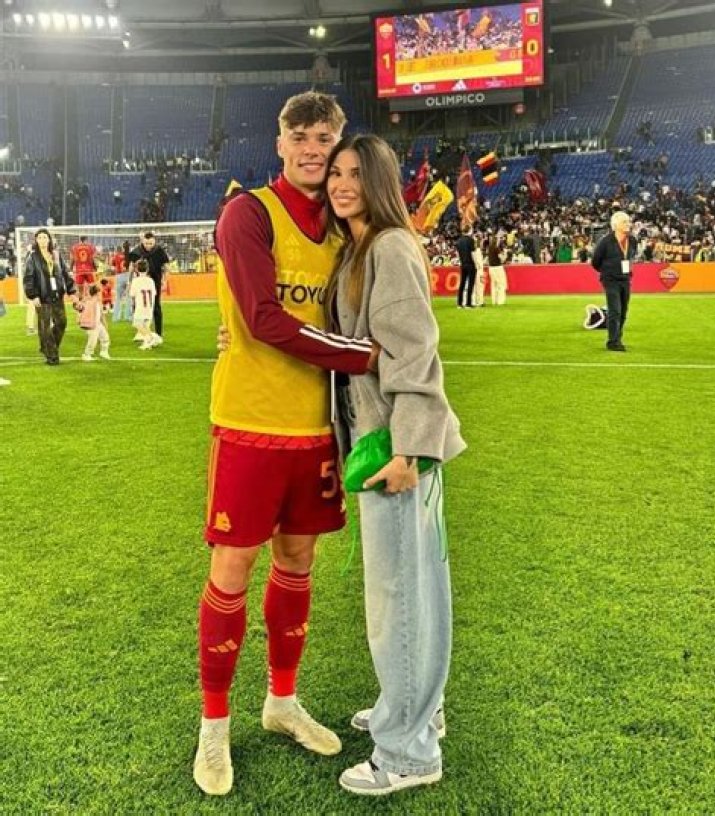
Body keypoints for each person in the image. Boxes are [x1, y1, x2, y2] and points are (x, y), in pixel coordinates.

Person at [195, 91, 376, 797]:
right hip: (249, 424)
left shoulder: (341, 228)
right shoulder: (248, 214)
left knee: (297, 562)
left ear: (337, 146)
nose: (311, 149)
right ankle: (214, 727)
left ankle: (281, 701)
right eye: (299, 136)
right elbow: (263, 320)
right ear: (280, 143)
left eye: (324, 138)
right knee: (232, 570)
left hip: (314, 429)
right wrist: (362, 355)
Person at [324, 134, 466, 796]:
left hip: (398, 451)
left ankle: (407, 752)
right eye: (336, 172)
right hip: (390, 445)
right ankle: (416, 709)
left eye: (356, 173)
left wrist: (408, 450)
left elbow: (414, 355)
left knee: (399, 597)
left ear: (379, 181)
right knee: (416, 590)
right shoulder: (361, 248)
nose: (341, 183)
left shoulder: (387, 247)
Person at [23, 228, 78, 365]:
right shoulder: (32, 257)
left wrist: (72, 291)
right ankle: (52, 356)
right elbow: (28, 278)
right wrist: (33, 295)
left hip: (57, 295)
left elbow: (66, 273)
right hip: (42, 297)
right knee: (45, 327)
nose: (42, 240)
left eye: (44, 237)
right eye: (39, 237)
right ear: (36, 240)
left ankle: (46, 347)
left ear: (49, 239)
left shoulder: (56, 255)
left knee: (62, 323)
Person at [591, 210, 637, 351]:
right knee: (615, 310)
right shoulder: (605, 241)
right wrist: (607, 271)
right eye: (624, 222)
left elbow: (631, 257)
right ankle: (612, 342)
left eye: (628, 221)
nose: (628, 224)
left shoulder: (632, 241)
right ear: (615, 225)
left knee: (623, 311)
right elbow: (595, 261)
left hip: (625, 279)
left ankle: (618, 338)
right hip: (610, 280)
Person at [127, 231, 170, 340]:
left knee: (156, 306)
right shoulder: (136, 252)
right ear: (142, 241)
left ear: (154, 241)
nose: (148, 246)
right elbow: (131, 267)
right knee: (137, 306)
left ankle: (159, 333)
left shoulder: (159, 251)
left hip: (155, 281)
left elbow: (166, 267)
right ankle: (140, 332)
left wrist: (165, 281)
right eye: (146, 243)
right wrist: (129, 280)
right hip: (139, 282)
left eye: (151, 243)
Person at [129, 260, 160, 350]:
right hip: (150, 306)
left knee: (136, 324)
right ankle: (148, 341)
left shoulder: (136, 281)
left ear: (137, 269)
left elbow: (132, 294)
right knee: (146, 325)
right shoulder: (150, 280)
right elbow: (154, 293)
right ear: (147, 269)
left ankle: (151, 338)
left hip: (140, 306)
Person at [79, 284, 111, 362]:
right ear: (96, 293)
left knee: (105, 338)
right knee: (92, 341)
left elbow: (101, 314)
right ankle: (87, 354)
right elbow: (82, 311)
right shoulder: (89, 302)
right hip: (92, 325)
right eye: (99, 292)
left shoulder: (97, 302)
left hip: (98, 324)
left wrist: (104, 324)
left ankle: (104, 352)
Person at [454, 225, 477, 309]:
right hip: (470, 264)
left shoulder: (459, 241)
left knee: (462, 284)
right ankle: (468, 303)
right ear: (470, 230)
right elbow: (473, 253)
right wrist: (476, 263)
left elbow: (457, 254)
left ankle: (459, 303)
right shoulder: (470, 240)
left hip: (463, 264)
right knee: (470, 284)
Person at [69, 235, 97, 300]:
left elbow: (72, 259)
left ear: (80, 239)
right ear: (86, 239)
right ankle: (92, 302)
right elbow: (92, 259)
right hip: (88, 270)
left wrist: (70, 269)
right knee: (92, 288)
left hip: (79, 271)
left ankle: (80, 303)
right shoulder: (90, 247)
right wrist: (95, 267)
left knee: (80, 291)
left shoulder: (74, 247)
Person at [487, 234, 507, 305]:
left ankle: (494, 301)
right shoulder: (496, 248)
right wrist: (505, 253)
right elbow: (502, 259)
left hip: (491, 268)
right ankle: (500, 301)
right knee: (501, 284)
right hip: (498, 267)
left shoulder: (489, 248)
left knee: (493, 284)